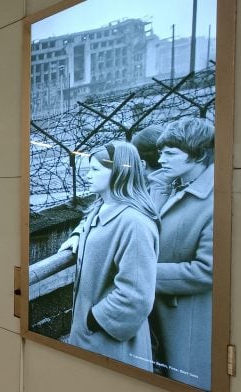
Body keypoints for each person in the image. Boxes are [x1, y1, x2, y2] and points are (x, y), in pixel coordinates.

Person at [59, 142, 159, 371]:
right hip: (91, 338)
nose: (87, 176)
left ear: (118, 172)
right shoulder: (102, 206)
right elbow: (89, 223)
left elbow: (136, 296)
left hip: (111, 344)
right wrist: (77, 236)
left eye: (95, 170)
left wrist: (94, 320)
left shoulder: (134, 223)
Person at [150, 117, 214, 390]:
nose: (161, 158)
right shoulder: (166, 183)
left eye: (171, 153)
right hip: (155, 311)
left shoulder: (214, 201)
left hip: (185, 319)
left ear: (198, 154)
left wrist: (141, 274)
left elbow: (207, 270)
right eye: (161, 151)